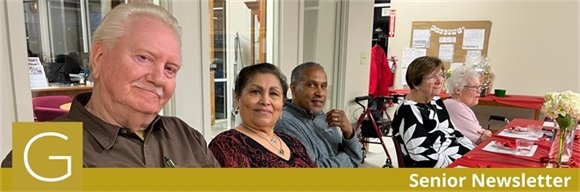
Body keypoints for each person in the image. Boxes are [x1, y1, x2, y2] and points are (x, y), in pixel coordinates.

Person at [2, 3, 220, 168]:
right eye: (143, 58)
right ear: (98, 57)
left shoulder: (184, 135)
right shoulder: (45, 151)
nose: (158, 78)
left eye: (170, 69)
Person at [208, 63, 316, 168]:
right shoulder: (226, 145)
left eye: (273, 93)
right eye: (255, 92)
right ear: (237, 99)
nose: (265, 101)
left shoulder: (294, 143)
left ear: (282, 103)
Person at [275, 62, 363, 167]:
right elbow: (313, 168)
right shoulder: (285, 122)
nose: (320, 93)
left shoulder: (322, 116)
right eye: (312, 85)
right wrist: (348, 158)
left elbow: (357, 157)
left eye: (324, 86)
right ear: (293, 88)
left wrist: (348, 132)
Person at [391, 56, 474, 168]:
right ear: (416, 83)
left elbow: (455, 133)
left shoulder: (435, 102)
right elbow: (422, 157)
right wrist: (459, 163)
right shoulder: (408, 111)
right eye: (432, 77)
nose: (439, 81)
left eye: (441, 75)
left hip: (457, 160)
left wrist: (471, 154)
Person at [444, 65, 492, 145]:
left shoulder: (452, 104)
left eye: (479, 87)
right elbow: (481, 139)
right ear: (458, 90)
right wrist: (488, 133)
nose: (479, 91)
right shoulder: (456, 107)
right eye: (475, 87)